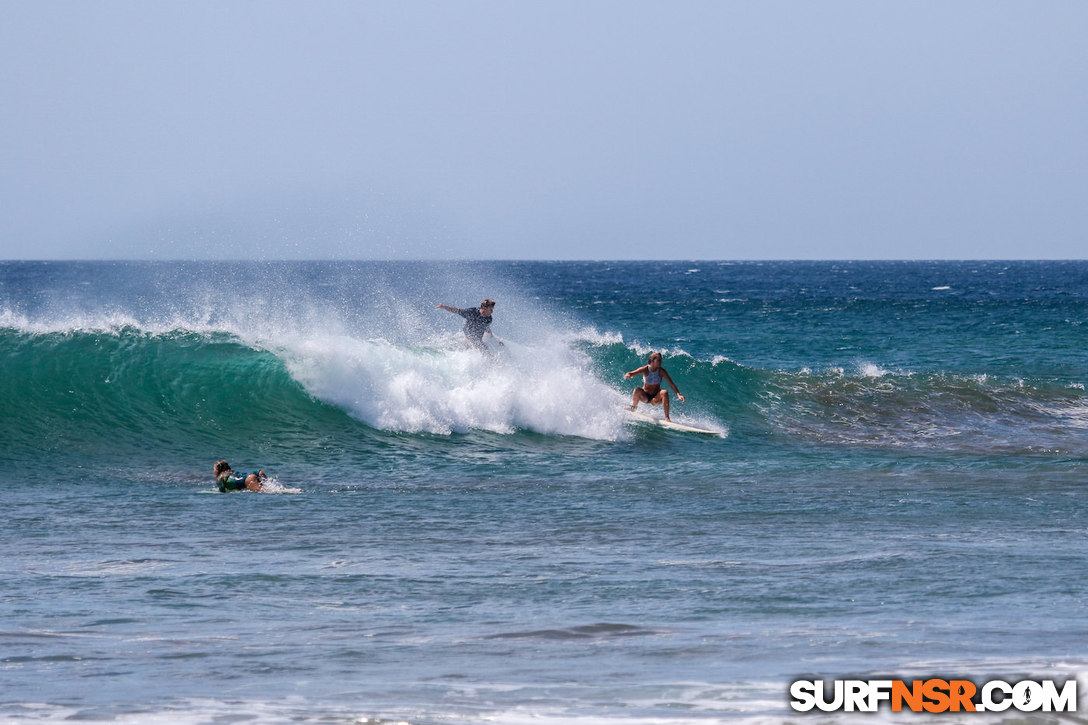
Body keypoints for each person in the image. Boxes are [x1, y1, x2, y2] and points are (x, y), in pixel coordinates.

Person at [624, 352, 686, 422]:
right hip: (645, 397)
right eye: (659, 360)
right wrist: (628, 375)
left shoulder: (661, 371)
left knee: (664, 392)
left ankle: (667, 417)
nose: (661, 362)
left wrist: (679, 395)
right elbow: (631, 373)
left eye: (661, 360)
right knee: (637, 390)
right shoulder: (645, 369)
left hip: (655, 398)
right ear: (653, 360)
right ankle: (634, 407)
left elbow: (671, 384)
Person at [435, 299, 504, 352]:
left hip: (478, 340)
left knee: (486, 351)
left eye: (492, 309)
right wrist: (443, 306)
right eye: (490, 309)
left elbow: (487, 328)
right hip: (468, 337)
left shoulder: (489, 319)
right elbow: (457, 310)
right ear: (484, 307)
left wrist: (495, 340)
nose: (492, 312)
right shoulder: (472, 312)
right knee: (470, 348)